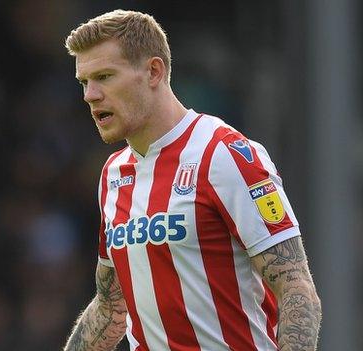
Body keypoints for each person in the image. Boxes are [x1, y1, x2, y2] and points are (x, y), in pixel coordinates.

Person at [63, 10, 321, 351]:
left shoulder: (224, 154)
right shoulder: (114, 174)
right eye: (84, 82)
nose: (90, 95)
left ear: (154, 71)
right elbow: (111, 308)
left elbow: (295, 287)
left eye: (105, 77)